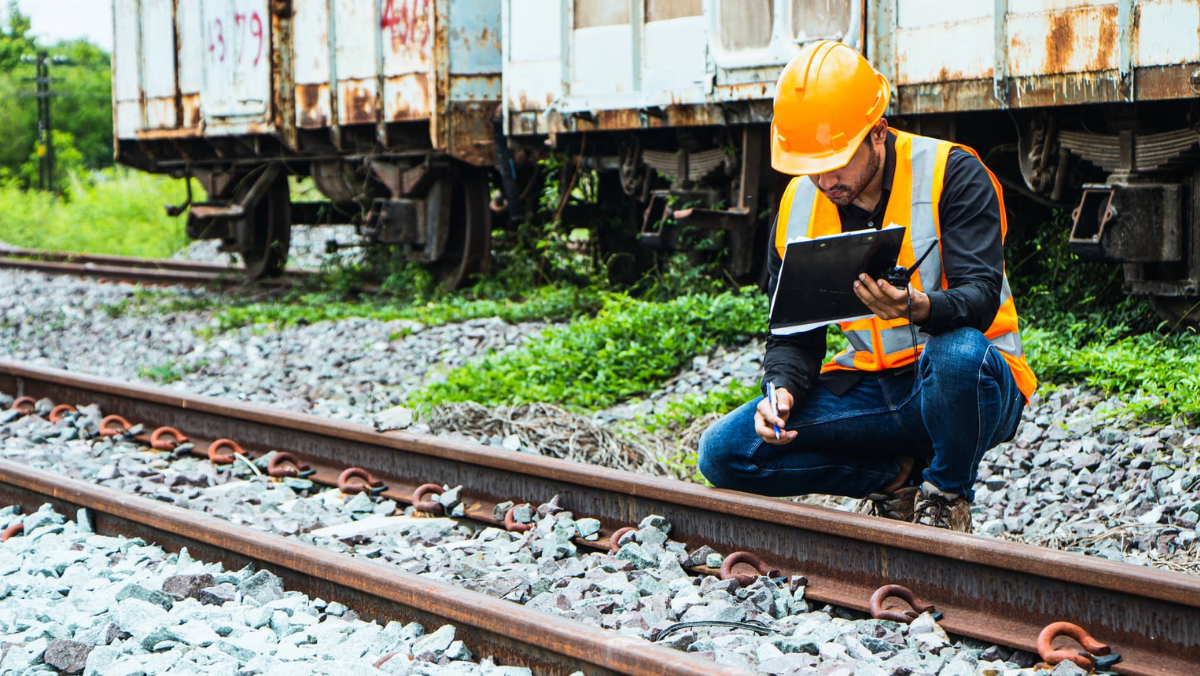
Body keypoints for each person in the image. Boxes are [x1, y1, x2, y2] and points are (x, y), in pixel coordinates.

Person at [697, 41, 1037, 532]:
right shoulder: (797, 206)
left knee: (959, 353)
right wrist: (783, 390)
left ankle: (944, 497)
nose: (826, 179)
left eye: (838, 162)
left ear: (878, 132)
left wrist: (917, 307)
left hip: (970, 388)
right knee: (725, 453)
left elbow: (980, 297)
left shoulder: (952, 172)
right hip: (874, 394)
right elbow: (793, 334)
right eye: (813, 166)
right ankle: (893, 477)